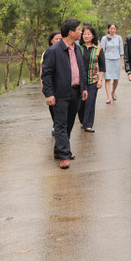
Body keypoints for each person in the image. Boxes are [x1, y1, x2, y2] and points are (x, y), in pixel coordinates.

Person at [42, 18, 89, 169]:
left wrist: (84, 88)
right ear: (71, 32)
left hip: (75, 92)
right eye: (79, 30)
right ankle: (64, 155)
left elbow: (81, 70)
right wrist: (49, 93)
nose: (81, 32)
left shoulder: (77, 49)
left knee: (68, 124)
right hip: (60, 93)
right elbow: (46, 74)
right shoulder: (53, 51)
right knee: (60, 124)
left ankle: (59, 149)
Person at [78, 25, 105, 132]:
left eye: (89, 34)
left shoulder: (98, 49)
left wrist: (100, 80)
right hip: (79, 81)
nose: (86, 36)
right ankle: (82, 121)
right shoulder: (78, 48)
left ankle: (88, 124)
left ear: (93, 35)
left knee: (90, 102)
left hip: (93, 80)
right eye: (84, 34)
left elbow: (103, 66)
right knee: (80, 104)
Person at [101, 23, 124, 103]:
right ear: (108, 29)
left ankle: (113, 91)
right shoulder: (104, 38)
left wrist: (122, 62)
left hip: (116, 60)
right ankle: (108, 97)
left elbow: (121, 50)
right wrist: (101, 62)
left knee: (116, 79)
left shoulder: (119, 38)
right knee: (107, 79)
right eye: (111, 28)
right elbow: (102, 51)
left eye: (114, 28)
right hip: (107, 60)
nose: (112, 30)